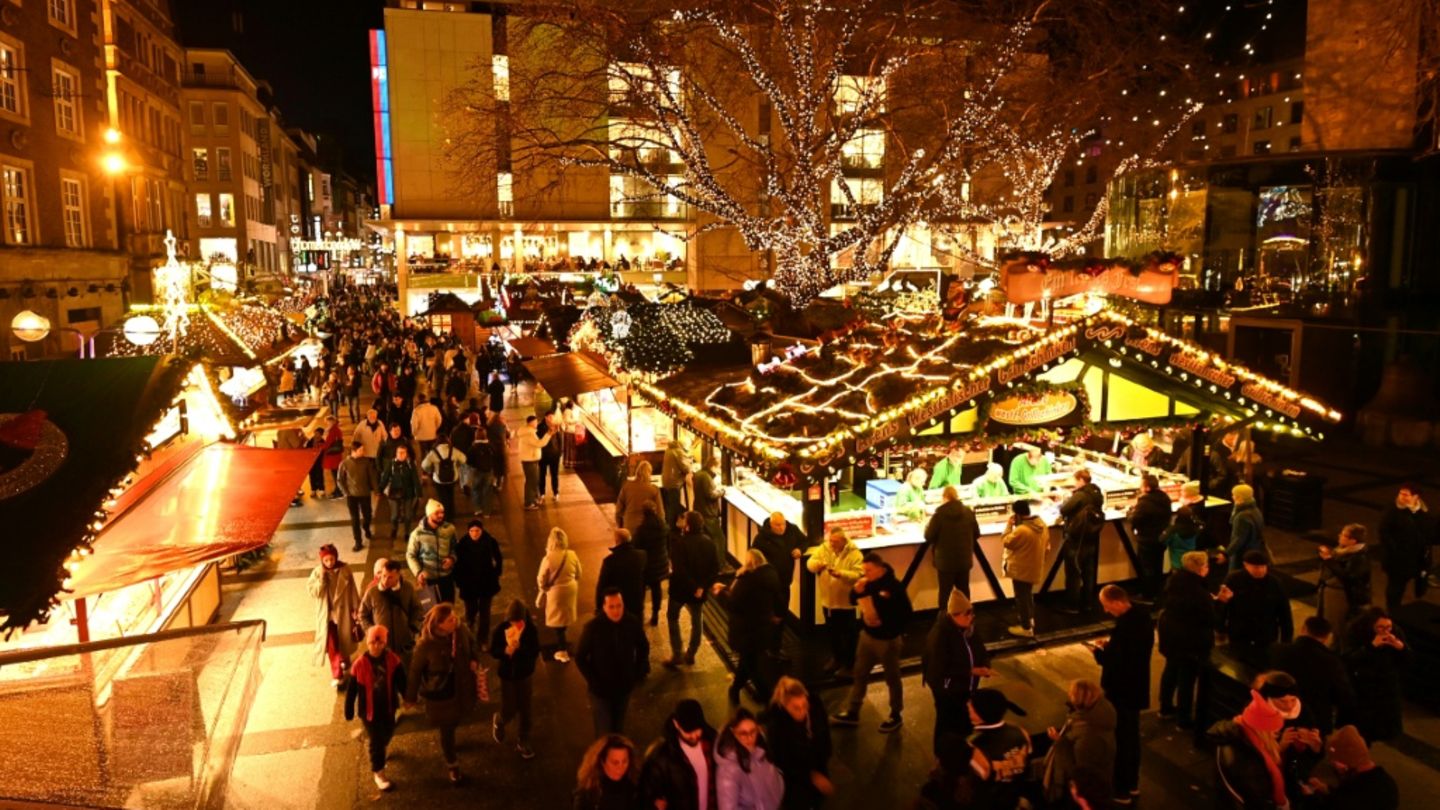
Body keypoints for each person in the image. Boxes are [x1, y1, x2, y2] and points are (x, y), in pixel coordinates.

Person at [1208, 671, 1315, 810]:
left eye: (1293, 700)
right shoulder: (1247, 760)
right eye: (1275, 728)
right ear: (1263, 729)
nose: (1278, 731)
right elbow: (1258, 800)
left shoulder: (1247, 734)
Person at [832, 553, 913, 733]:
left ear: (879, 568)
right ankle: (853, 711)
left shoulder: (894, 587)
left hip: (888, 640)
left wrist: (888, 625)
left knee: (892, 677)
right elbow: (852, 599)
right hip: (867, 637)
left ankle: (896, 713)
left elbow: (906, 613)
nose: (865, 573)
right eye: (864, 570)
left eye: (868, 570)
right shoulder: (866, 582)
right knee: (860, 674)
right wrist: (857, 591)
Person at [404, 603, 482, 784]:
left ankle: (452, 745)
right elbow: (415, 671)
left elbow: (472, 644)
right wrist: (410, 696)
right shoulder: (426, 645)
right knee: (446, 729)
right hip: (442, 694)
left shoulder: (460, 630)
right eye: (450, 620)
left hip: (462, 687)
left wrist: (473, 659)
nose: (455, 621)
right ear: (439, 625)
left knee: (456, 719)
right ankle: (452, 763)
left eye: (454, 617)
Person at [1089, 584, 1153, 804]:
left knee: (1121, 741)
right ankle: (1133, 784)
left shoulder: (1125, 627)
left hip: (1121, 690)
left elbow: (1117, 662)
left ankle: (1122, 789)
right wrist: (1111, 646)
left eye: (1107, 607)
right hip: (1137, 687)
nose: (1106, 611)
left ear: (1118, 602)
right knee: (1132, 738)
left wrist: (1099, 653)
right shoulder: (1142, 618)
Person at [920, 588, 992, 753]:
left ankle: (962, 753)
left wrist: (986, 664)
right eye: (967, 614)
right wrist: (971, 671)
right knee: (946, 723)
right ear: (954, 615)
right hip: (948, 690)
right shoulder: (940, 635)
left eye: (972, 613)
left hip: (966, 687)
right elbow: (939, 669)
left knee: (964, 720)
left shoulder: (969, 629)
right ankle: (942, 756)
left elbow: (980, 649)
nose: (971, 617)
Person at [577, 588, 651, 736]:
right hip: (601, 691)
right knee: (604, 730)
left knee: (618, 727)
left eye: (619, 606)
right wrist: (594, 682)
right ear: (604, 607)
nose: (616, 611)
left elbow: (643, 646)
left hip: (623, 688)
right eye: (612, 606)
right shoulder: (593, 628)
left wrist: (636, 672)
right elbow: (580, 657)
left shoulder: (632, 622)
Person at [1157, 551, 1217, 732]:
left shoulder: (1173, 583)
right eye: (1206, 565)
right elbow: (1211, 620)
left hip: (1171, 637)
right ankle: (1183, 719)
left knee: (1171, 671)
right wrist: (1220, 602)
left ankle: (1165, 707)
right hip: (1192, 642)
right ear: (1200, 569)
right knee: (1187, 680)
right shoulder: (1199, 593)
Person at [718, 548, 786, 703]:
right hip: (762, 627)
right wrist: (778, 615)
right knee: (748, 661)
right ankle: (735, 689)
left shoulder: (747, 581)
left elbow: (733, 604)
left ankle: (767, 697)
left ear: (749, 563)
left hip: (745, 629)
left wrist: (720, 592)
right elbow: (778, 598)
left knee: (751, 666)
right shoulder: (771, 575)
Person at [345, 625, 406, 792]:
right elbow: (352, 691)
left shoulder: (392, 660)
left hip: (388, 707)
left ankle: (381, 748)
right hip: (369, 712)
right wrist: (349, 709)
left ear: (385, 643)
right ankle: (379, 772)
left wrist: (408, 696)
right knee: (377, 741)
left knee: (388, 732)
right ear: (368, 642)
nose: (377, 646)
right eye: (373, 642)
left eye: (380, 643)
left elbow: (401, 680)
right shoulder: (359, 664)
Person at [1273, 616, 1357, 737]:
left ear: (1304, 629)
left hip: (1281, 715)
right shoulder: (1331, 662)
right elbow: (1344, 695)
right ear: (1328, 637)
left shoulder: (1278, 651)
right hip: (1315, 722)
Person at [1040, 680, 1117, 807]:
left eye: (1071, 693)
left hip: (1087, 792)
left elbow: (1078, 771)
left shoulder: (1088, 737)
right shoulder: (1102, 711)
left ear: (1079, 700)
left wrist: (1059, 741)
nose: (1068, 694)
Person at [762, 677, 833, 810]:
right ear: (784, 705)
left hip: (817, 768)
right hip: (794, 781)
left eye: (804, 705)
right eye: (795, 708)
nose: (802, 712)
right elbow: (782, 761)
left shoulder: (816, 708)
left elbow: (825, 736)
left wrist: (824, 761)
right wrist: (811, 776)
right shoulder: (777, 726)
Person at [1343, 607, 1411, 743]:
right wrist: (1371, 647)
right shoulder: (1356, 632)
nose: (1386, 631)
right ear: (1371, 626)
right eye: (1381, 627)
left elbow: (1408, 660)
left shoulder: (1395, 632)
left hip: (1387, 685)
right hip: (1363, 686)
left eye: (1388, 627)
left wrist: (1401, 647)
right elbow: (1348, 659)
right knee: (1361, 727)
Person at [805, 526, 864, 673]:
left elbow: (859, 575)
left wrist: (841, 574)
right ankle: (837, 658)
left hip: (845, 603)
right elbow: (810, 564)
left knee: (849, 635)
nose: (831, 544)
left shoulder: (855, 554)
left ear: (844, 541)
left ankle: (849, 663)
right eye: (830, 540)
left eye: (835, 541)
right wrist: (817, 565)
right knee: (832, 633)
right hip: (828, 601)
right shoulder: (824, 548)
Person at [667, 511, 722, 668]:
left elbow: (679, 570)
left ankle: (677, 653)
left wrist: (693, 586)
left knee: (672, 617)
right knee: (697, 620)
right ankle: (691, 653)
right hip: (699, 592)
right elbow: (715, 569)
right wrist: (701, 587)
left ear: (688, 526)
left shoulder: (679, 543)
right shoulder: (709, 543)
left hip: (679, 590)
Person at [641, 699, 717, 810]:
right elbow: (646, 793)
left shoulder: (713, 743)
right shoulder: (662, 757)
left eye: (697, 729)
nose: (694, 735)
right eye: (688, 731)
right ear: (676, 724)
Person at [490, 599, 540, 759]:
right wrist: (505, 651)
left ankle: (523, 740)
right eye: (513, 621)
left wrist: (520, 649)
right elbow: (493, 650)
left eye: (519, 621)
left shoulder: (531, 630)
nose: (516, 625)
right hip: (507, 676)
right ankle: (500, 719)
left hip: (524, 674)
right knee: (509, 707)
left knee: (526, 708)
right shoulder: (501, 629)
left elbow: (535, 651)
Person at [1219, 550, 1294, 657]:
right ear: (1245, 565)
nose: (1261, 570)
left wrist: (1286, 640)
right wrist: (1220, 628)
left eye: (1264, 567)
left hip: (1266, 635)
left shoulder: (1275, 583)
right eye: (1256, 567)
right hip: (1240, 633)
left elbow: (1285, 612)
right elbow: (1224, 605)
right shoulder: (1233, 579)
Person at [1307, 725, 1400, 810]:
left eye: (1334, 761)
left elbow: (1342, 801)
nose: (1334, 766)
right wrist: (1327, 789)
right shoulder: (1388, 784)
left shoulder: (1350, 798)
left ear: (1344, 764)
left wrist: (1310, 797)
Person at [307, 543, 362, 687]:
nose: (329, 563)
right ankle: (337, 674)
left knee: (344, 639)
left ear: (336, 557)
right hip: (327, 615)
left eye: (332, 559)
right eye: (326, 560)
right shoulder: (318, 573)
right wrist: (321, 581)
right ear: (322, 560)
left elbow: (353, 590)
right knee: (332, 644)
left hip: (343, 613)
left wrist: (356, 608)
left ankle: (345, 660)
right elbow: (313, 592)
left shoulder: (345, 570)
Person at [967, 688, 1031, 810]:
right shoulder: (1021, 733)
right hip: (1013, 797)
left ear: (981, 714)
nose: (967, 708)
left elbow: (972, 782)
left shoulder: (973, 746)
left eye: (971, 707)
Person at [715, 708, 785, 810]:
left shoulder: (761, 749)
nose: (750, 738)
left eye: (753, 731)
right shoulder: (728, 770)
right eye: (743, 733)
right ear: (733, 732)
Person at [1378, 483, 1434, 611]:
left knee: (1419, 584)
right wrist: (1395, 550)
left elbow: (1429, 532)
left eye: (1406, 495)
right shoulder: (1392, 510)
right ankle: (1393, 611)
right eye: (1400, 493)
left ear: (1416, 497)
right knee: (1395, 588)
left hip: (1417, 558)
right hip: (1398, 559)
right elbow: (1384, 532)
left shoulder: (1424, 512)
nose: (1402, 497)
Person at [1058, 468, 1106, 612]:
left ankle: (1072, 606)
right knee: (1089, 573)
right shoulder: (1097, 494)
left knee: (1073, 574)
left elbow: (1064, 509)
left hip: (1076, 539)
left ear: (1080, 480)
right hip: (1092, 538)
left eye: (1075, 481)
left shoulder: (1080, 495)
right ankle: (1088, 603)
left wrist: (1067, 499)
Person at [925, 485, 981, 606]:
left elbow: (928, 536)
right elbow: (977, 533)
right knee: (964, 591)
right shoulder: (968, 512)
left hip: (945, 562)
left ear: (945, 497)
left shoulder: (939, 515)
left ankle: (945, 620)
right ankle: (966, 619)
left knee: (945, 593)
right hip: (964, 559)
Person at [1000, 500, 1046, 638]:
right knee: (1027, 595)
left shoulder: (1022, 530)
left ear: (1017, 514)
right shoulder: (1040, 524)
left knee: (1022, 598)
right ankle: (1030, 620)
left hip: (1021, 569)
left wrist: (1009, 525)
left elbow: (1006, 541)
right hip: (1033, 566)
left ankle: (1026, 629)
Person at [359, 559, 424, 656]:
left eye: (390, 577)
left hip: (404, 644)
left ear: (398, 575)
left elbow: (418, 610)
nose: (385, 580)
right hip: (381, 645)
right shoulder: (372, 592)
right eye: (384, 576)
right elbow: (362, 614)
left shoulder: (407, 588)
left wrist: (413, 629)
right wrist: (371, 631)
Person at [536, 526, 582, 663]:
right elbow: (579, 573)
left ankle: (562, 651)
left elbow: (541, 578)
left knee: (557, 621)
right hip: (571, 589)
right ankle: (563, 642)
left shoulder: (548, 558)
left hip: (555, 592)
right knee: (565, 615)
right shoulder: (572, 554)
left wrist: (543, 588)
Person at [454, 518, 503, 642]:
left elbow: (498, 558)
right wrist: (459, 580)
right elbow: (457, 564)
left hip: (486, 583)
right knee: (470, 611)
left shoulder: (490, 541)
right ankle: (470, 634)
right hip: (468, 584)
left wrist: (496, 573)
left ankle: (483, 638)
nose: (474, 533)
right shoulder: (462, 544)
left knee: (485, 612)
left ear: (481, 530)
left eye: (477, 530)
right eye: (472, 531)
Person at [1129, 473, 1174, 599]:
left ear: (1147, 488)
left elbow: (1135, 519)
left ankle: (1147, 595)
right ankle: (1157, 592)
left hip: (1147, 539)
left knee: (1146, 567)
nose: (1140, 487)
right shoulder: (1165, 498)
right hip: (1161, 538)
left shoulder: (1145, 502)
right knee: (1157, 565)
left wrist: (1130, 512)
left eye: (1141, 485)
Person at [1318, 524, 1372, 624]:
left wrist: (1329, 560)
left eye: (1343, 535)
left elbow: (1348, 577)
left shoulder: (1359, 557)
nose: (1339, 536)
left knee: (1337, 624)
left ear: (1353, 541)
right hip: (1331, 592)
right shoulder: (1341, 550)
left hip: (1342, 596)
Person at [407, 499, 458, 604]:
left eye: (442, 512)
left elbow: (456, 547)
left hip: (446, 578)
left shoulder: (450, 529)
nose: (441, 515)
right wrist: (418, 572)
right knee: (432, 612)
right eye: (437, 513)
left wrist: (452, 559)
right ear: (429, 514)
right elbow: (410, 555)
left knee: (448, 608)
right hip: (428, 580)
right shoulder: (417, 534)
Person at [574, 734, 643, 810]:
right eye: (615, 762)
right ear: (602, 762)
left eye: (624, 762)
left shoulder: (634, 787)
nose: (620, 767)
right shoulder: (588, 793)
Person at [596, 528, 649, 620]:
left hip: (619, 603)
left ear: (617, 541)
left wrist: (599, 606)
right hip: (637, 602)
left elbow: (602, 585)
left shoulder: (609, 561)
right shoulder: (641, 555)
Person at [752, 511, 807, 595]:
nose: (782, 528)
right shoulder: (761, 538)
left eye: (783, 524)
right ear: (771, 524)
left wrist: (800, 550)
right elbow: (753, 556)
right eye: (777, 525)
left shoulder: (792, 530)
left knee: (784, 604)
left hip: (785, 580)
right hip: (767, 582)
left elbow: (805, 541)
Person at [634, 502, 670, 626]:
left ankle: (641, 614)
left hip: (646, 566)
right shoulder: (662, 526)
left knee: (641, 590)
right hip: (660, 564)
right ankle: (655, 614)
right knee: (656, 589)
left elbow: (636, 547)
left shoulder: (641, 530)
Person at [338, 442, 378, 551]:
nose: (363, 452)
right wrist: (346, 492)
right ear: (354, 451)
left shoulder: (366, 462)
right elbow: (340, 480)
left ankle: (366, 527)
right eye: (361, 450)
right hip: (352, 497)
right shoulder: (345, 464)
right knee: (354, 519)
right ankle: (358, 541)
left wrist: (376, 490)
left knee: (368, 515)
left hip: (365, 494)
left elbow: (372, 476)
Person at [1220, 483, 1267, 570]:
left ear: (1239, 497)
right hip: (1254, 549)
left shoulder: (1242, 517)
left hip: (1242, 554)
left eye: (1234, 495)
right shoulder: (1256, 511)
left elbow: (1238, 539)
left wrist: (1226, 554)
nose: (1232, 497)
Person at [379, 444, 422, 538]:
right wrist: (380, 489)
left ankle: (407, 532)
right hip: (394, 493)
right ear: (396, 453)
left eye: (403, 453)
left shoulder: (410, 464)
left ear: (406, 454)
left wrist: (418, 492)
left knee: (408, 516)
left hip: (408, 493)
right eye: (399, 453)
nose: (401, 455)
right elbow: (385, 477)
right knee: (394, 515)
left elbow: (415, 479)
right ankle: (394, 528)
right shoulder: (391, 464)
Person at [420, 435, 466, 518]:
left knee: (442, 498)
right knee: (451, 497)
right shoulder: (453, 450)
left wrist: (431, 470)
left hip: (439, 479)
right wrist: (457, 466)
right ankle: (452, 515)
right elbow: (464, 459)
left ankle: (445, 516)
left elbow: (424, 465)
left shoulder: (433, 452)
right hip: (452, 478)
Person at [616, 459, 665, 530]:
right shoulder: (654, 490)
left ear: (637, 472)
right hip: (646, 528)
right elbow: (660, 513)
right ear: (649, 474)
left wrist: (620, 526)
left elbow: (618, 511)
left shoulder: (626, 487)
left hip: (629, 526)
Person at [517, 414, 553, 510]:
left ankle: (534, 499)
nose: (537, 423)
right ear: (531, 422)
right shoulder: (529, 433)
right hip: (529, 460)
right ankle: (529, 503)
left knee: (533, 481)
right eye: (535, 422)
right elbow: (539, 443)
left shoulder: (527, 432)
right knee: (531, 482)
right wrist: (549, 434)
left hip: (530, 459)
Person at [692, 453, 725, 553]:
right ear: (713, 466)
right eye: (718, 467)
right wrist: (721, 492)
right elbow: (710, 495)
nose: (719, 470)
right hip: (708, 513)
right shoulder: (706, 477)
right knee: (719, 539)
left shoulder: (698, 474)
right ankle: (720, 564)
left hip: (700, 509)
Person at [1161, 506, 1203, 576]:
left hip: (1177, 564)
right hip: (1191, 563)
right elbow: (1201, 525)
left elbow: (1162, 540)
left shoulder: (1173, 530)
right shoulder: (1195, 528)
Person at [661, 436, 693, 527]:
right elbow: (686, 468)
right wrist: (689, 461)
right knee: (674, 507)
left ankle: (669, 525)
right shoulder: (678, 452)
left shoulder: (669, 449)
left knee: (669, 506)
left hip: (666, 481)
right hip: (674, 483)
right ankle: (673, 528)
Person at [538, 410, 563, 502]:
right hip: (543, 455)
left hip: (554, 456)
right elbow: (539, 440)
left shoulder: (556, 427)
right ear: (546, 417)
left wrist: (560, 452)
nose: (551, 419)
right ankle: (542, 493)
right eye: (550, 417)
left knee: (554, 475)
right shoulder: (540, 427)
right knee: (542, 475)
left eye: (552, 417)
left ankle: (556, 493)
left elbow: (560, 439)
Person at [410, 393, 443, 459]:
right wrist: (435, 428)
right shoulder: (434, 408)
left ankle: (424, 467)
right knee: (432, 453)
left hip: (421, 437)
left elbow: (414, 425)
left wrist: (414, 434)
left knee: (423, 454)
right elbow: (439, 420)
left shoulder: (416, 411)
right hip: (432, 435)